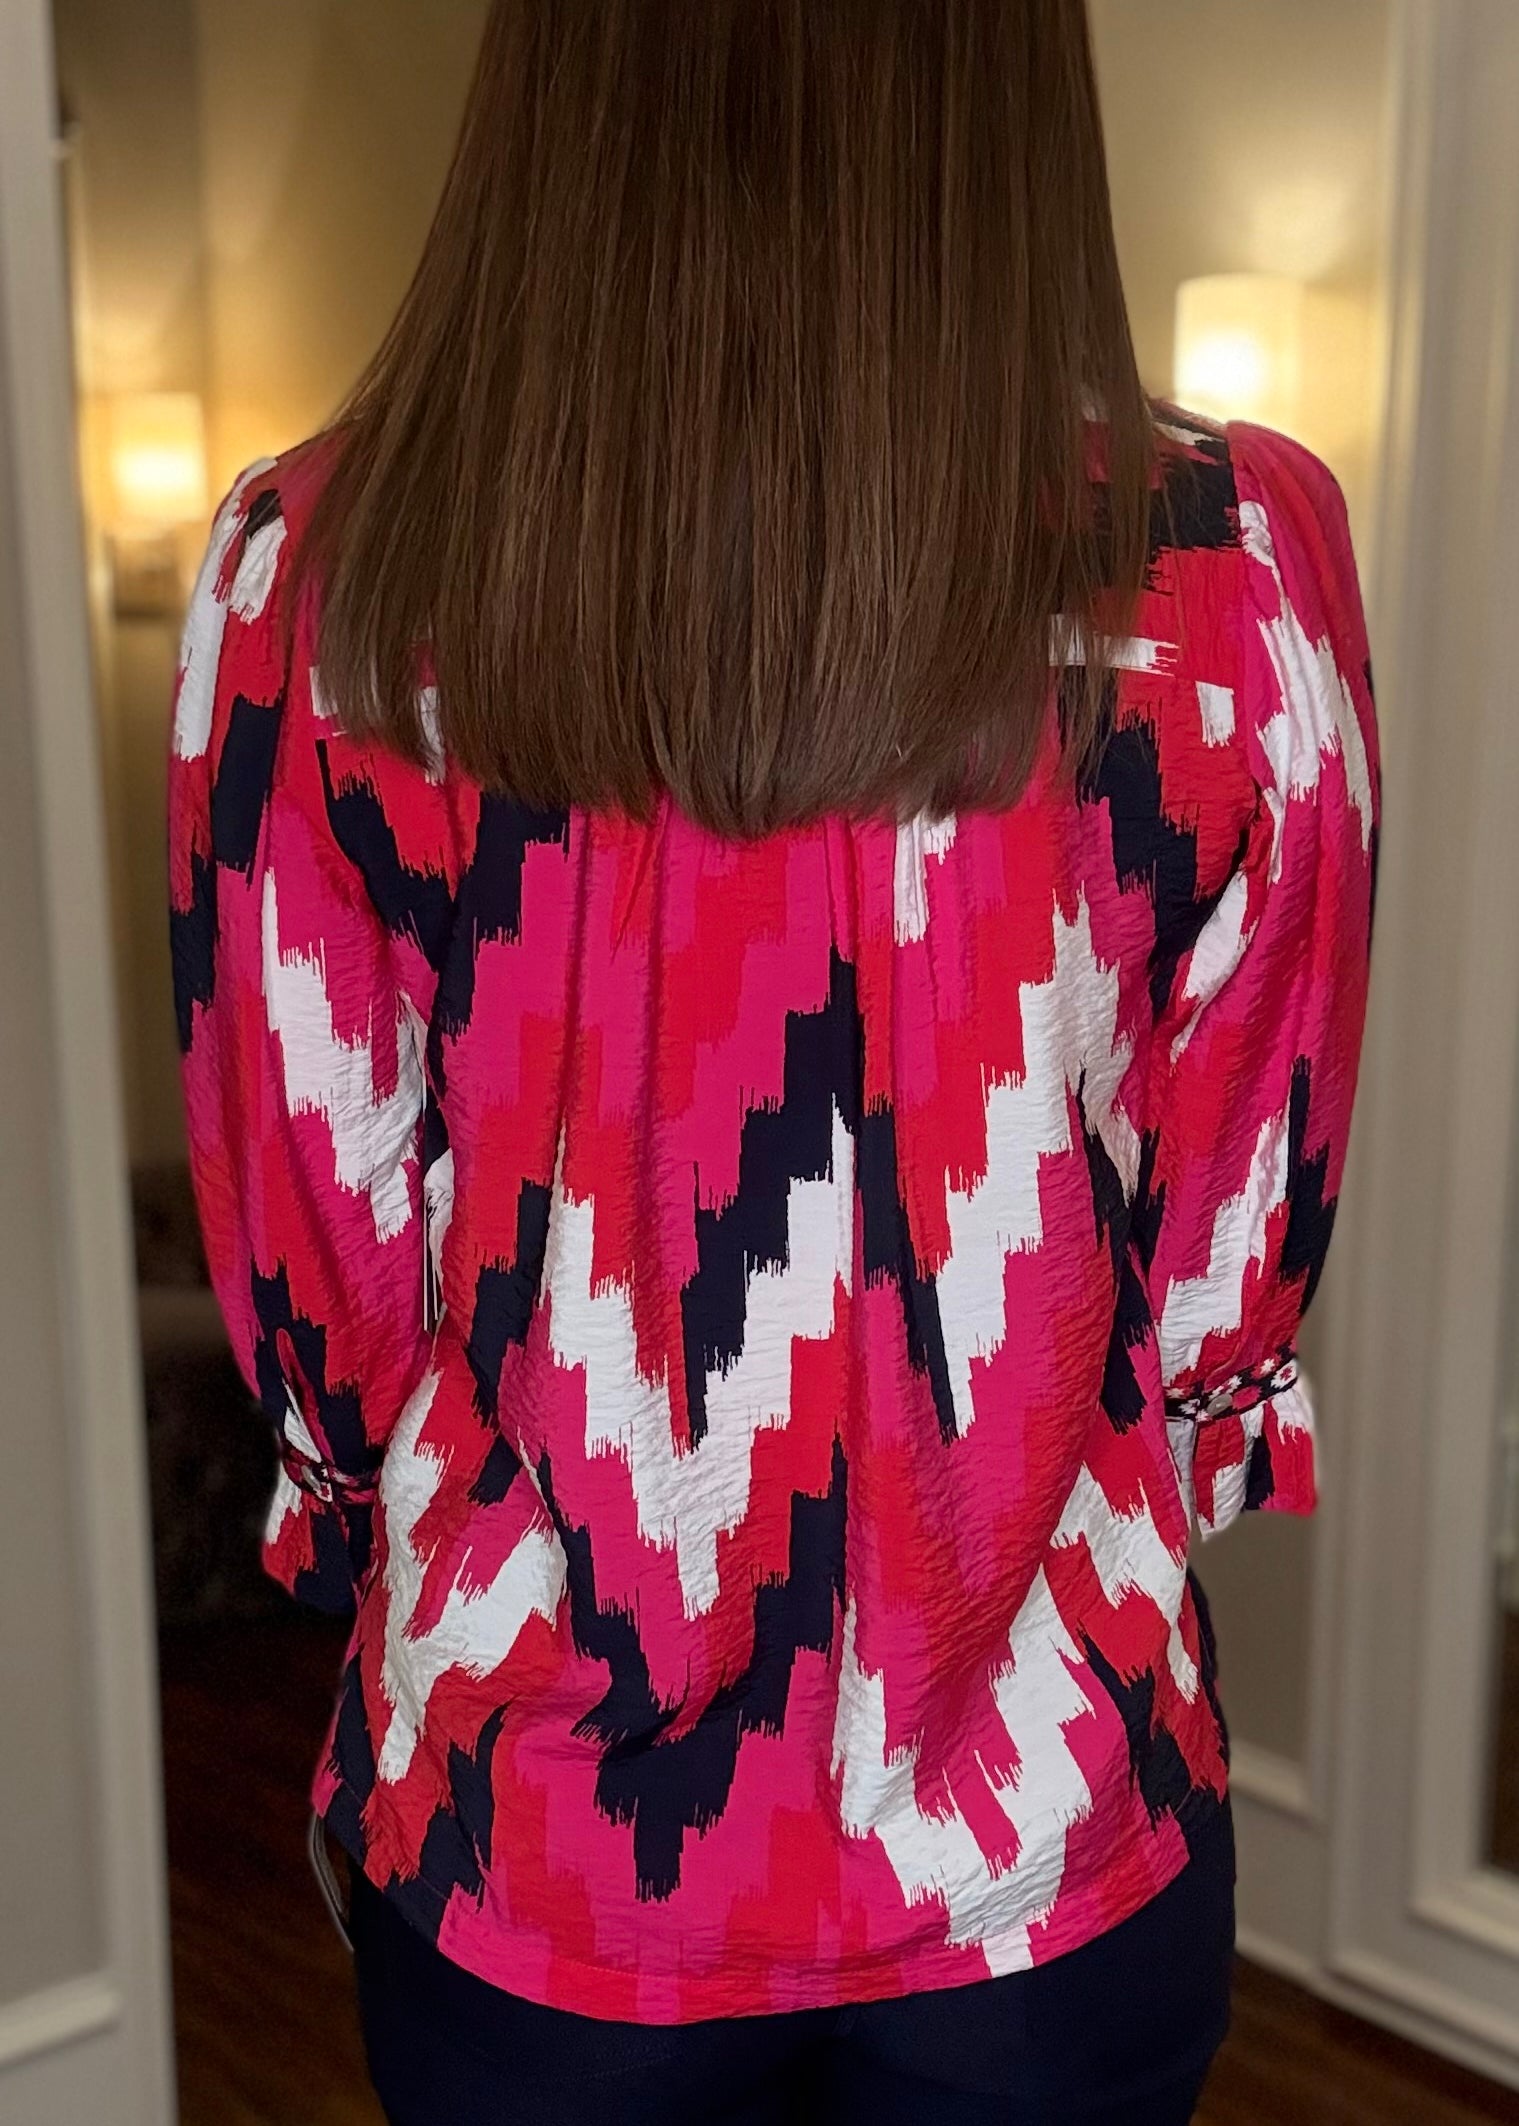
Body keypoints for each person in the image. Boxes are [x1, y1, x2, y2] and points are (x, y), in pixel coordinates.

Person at [167, 2, 1380, 2119]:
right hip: (1044, 1853)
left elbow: (323, 1303)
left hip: (534, 1860)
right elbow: (1216, 1290)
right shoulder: (1233, 571)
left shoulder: (317, 586)